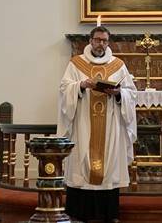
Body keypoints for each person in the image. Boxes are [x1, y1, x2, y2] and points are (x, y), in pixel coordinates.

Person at [57, 26, 137, 223]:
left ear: (108, 42)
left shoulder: (118, 65)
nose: (101, 44)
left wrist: (119, 93)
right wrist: (81, 86)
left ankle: (109, 214)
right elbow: (64, 89)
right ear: (90, 40)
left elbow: (131, 92)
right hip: (83, 125)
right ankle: (78, 213)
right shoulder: (76, 64)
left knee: (109, 168)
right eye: (97, 40)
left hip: (111, 126)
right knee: (81, 161)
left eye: (104, 41)